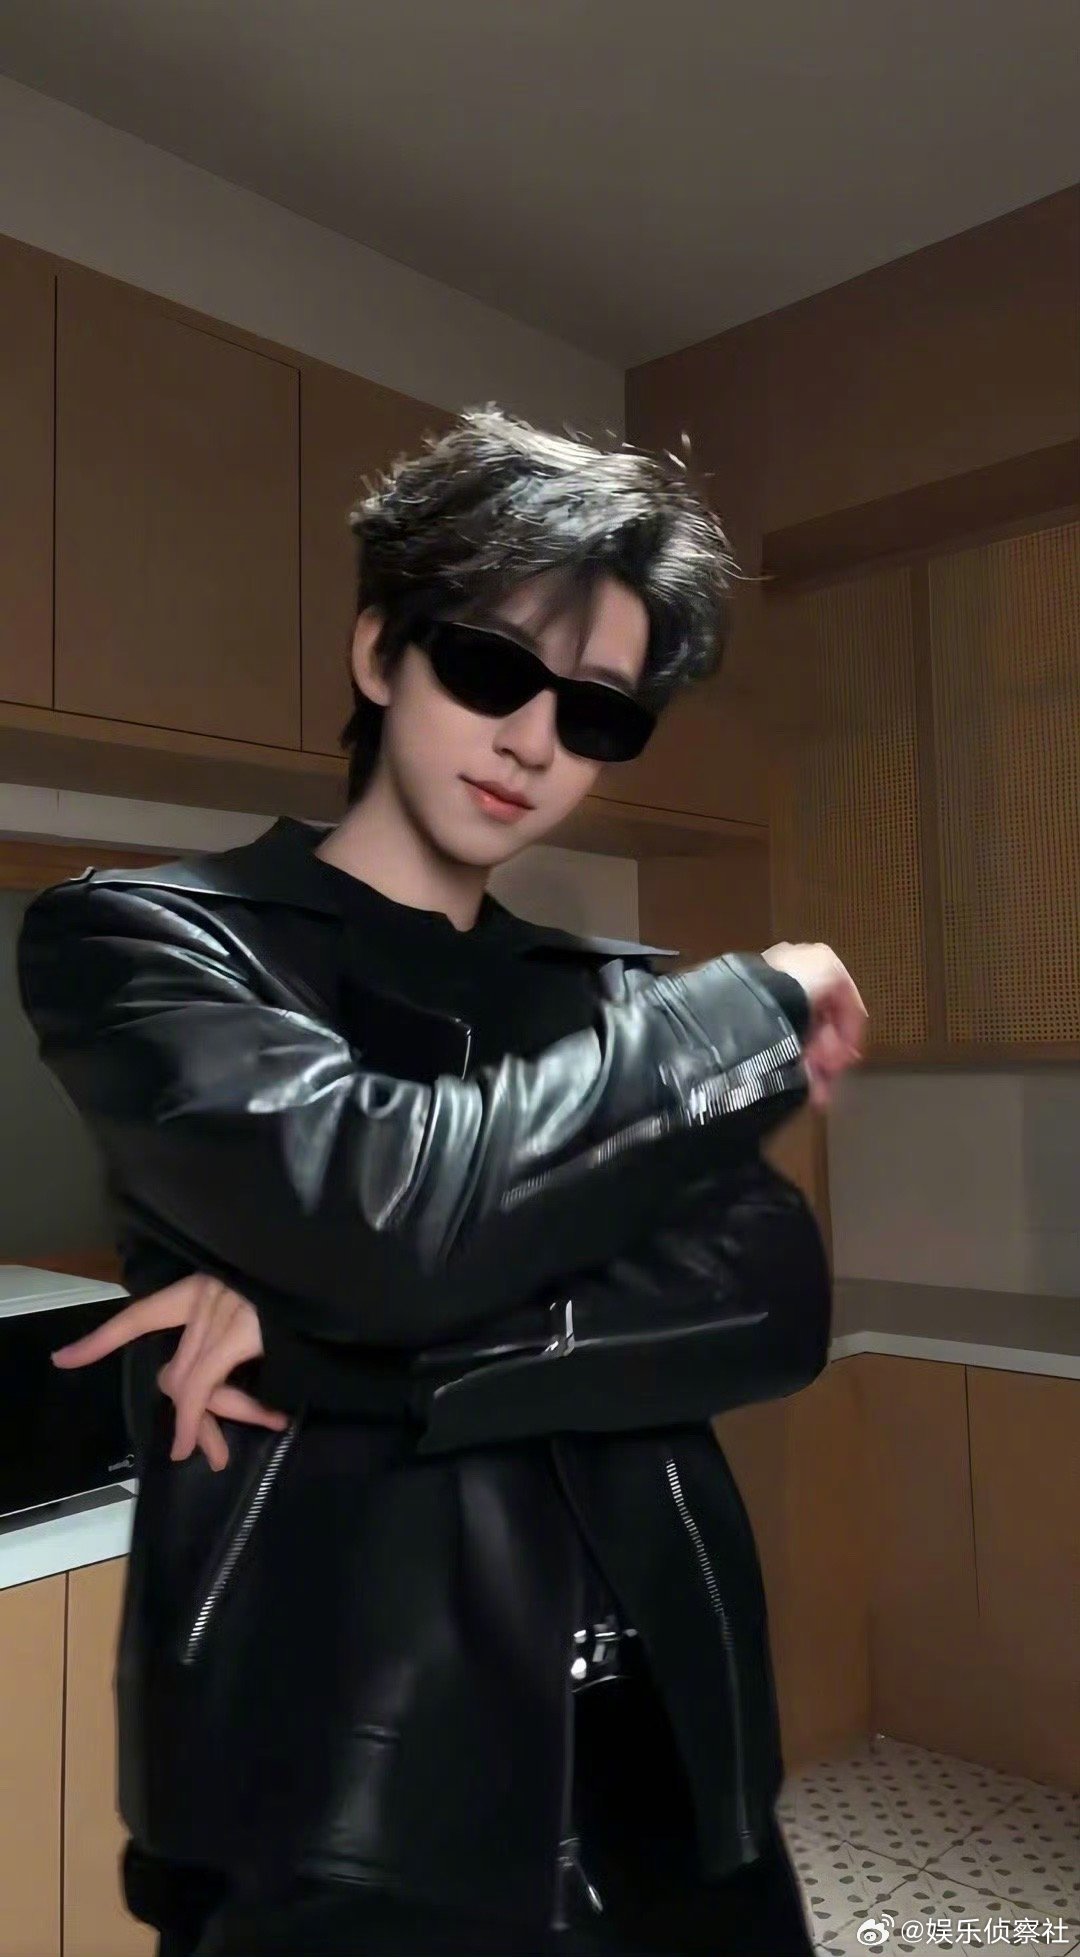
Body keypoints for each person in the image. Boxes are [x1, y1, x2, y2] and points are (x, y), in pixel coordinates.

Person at [18, 409, 866, 1957]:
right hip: (345, 1798)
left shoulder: (612, 1000)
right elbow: (386, 1208)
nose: (534, 739)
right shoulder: (146, 941)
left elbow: (770, 1291)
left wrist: (319, 1339)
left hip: (679, 1763)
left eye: (596, 713)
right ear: (379, 651)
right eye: (491, 667)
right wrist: (750, 1005)